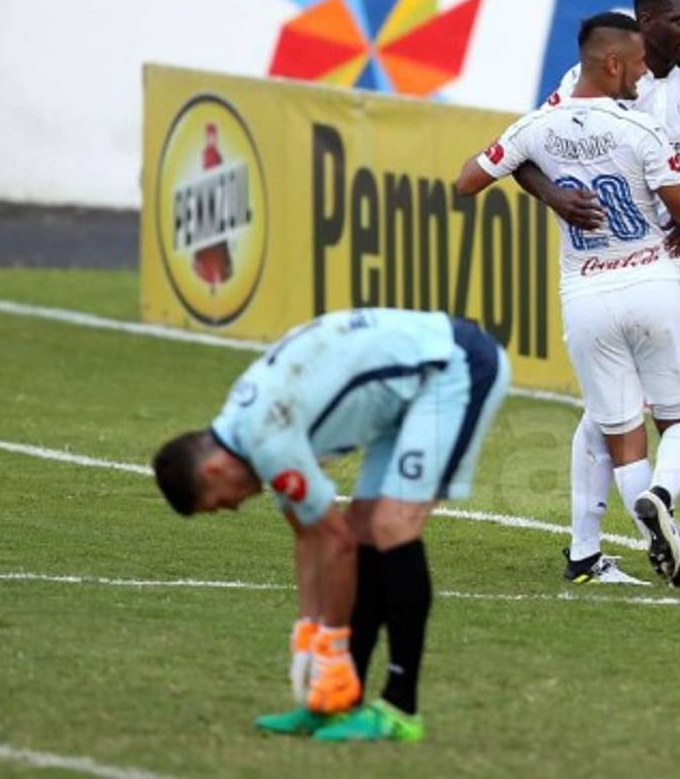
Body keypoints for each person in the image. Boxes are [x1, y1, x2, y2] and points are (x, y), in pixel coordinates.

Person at [457, 11, 680, 589]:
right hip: (652, 284)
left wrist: (555, 194)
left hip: (584, 296)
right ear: (612, 63)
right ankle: (661, 498)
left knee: (621, 434)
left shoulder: (537, 126)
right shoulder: (641, 130)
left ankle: (633, 544)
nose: (642, 75)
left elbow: (467, 181)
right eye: (636, 65)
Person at [151, 308, 510, 743]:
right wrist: (307, 633)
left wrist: (331, 646)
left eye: (218, 504)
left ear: (212, 471)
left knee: (393, 525)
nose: (232, 507)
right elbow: (308, 535)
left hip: (452, 367)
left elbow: (335, 544)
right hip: (406, 391)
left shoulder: (266, 437)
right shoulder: (244, 432)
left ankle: (400, 710)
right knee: (363, 525)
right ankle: (339, 701)